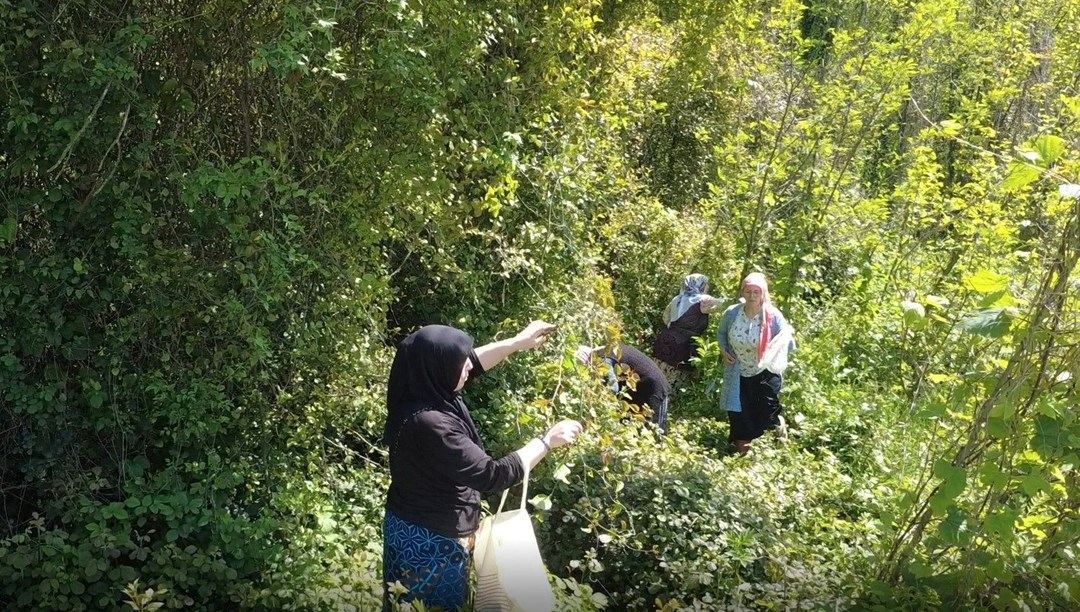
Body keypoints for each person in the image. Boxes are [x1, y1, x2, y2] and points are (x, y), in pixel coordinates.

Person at [381, 321, 583, 611]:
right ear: (439, 368)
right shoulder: (433, 425)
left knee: (401, 603)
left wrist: (517, 342)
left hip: (405, 523)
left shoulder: (416, 389)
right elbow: (493, 475)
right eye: (459, 362)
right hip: (432, 543)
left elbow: (474, 362)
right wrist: (546, 441)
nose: (467, 366)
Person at [716, 273, 795, 454]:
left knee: (765, 413)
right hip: (737, 370)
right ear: (743, 292)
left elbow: (789, 343)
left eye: (756, 292)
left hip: (765, 370)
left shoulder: (773, 316)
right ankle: (743, 457)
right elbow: (721, 334)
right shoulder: (732, 313)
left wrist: (776, 345)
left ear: (763, 294)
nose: (752, 296)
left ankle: (775, 435)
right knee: (739, 412)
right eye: (748, 291)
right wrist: (723, 350)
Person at [576, 343, 671, 434]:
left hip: (654, 388)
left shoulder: (603, 359)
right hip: (639, 389)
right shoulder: (609, 349)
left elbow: (611, 389)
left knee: (655, 433)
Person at [653, 274, 722, 380]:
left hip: (663, 343)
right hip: (683, 349)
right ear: (701, 286)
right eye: (706, 284)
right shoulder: (702, 300)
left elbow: (665, 318)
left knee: (656, 379)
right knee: (673, 385)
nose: (708, 287)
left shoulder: (677, 299)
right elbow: (723, 304)